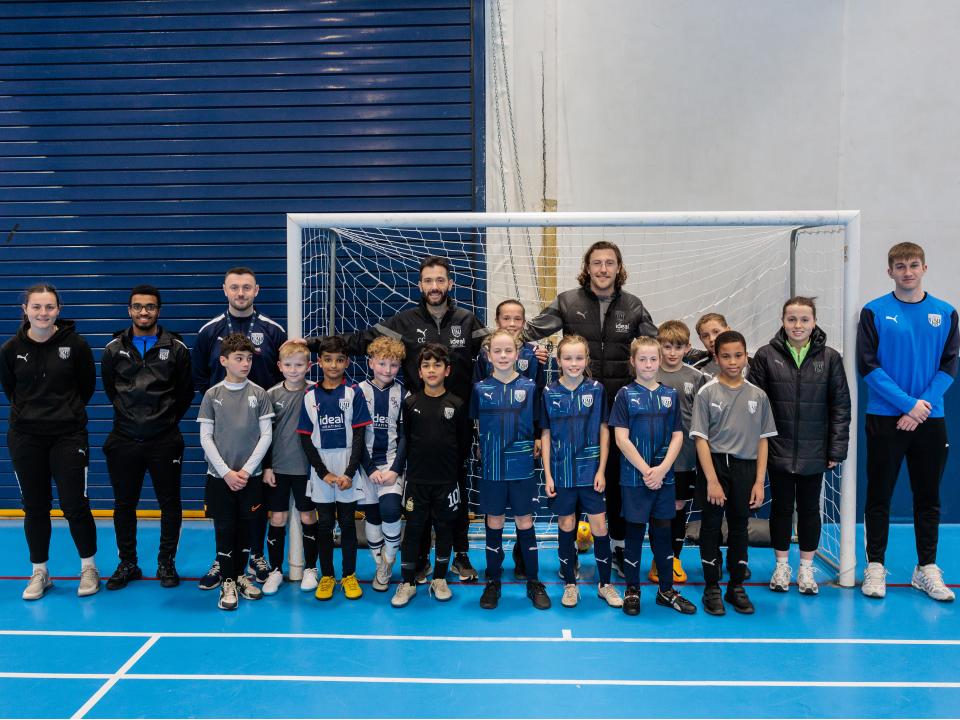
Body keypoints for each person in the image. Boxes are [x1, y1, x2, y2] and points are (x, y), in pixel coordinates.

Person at [325, 255, 488, 583]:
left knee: (456, 488)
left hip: (457, 422)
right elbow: (362, 339)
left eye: (440, 280)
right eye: (428, 281)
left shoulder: (468, 320)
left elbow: (497, 349)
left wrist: (530, 352)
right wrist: (312, 344)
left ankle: (461, 555)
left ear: (450, 283)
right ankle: (423, 558)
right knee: (421, 490)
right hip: (418, 421)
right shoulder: (405, 321)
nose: (434, 286)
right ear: (420, 285)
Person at [525, 241, 657, 575]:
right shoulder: (568, 301)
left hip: (621, 410)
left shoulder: (633, 305)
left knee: (616, 481)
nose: (603, 269)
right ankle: (568, 555)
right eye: (596, 263)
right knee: (574, 480)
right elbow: (529, 330)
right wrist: (495, 341)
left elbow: (656, 345)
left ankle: (617, 548)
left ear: (619, 267)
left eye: (609, 263)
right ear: (587, 267)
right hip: (576, 413)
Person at [857, 242, 958, 602]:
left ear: (924, 268)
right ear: (890, 272)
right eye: (900, 266)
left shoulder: (945, 313)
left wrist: (921, 407)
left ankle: (926, 568)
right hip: (885, 418)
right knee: (879, 495)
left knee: (928, 497)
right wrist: (908, 405)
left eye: (914, 265)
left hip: (930, 419)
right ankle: (875, 566)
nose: (907, 272)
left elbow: (949, 365)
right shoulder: (874, 311)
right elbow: (868, 365)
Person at [1, 284, 100, 600]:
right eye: (36, 307)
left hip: (68, 436)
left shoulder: (76, 345)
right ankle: (40, 572)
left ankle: (88, 568)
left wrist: (64, 412)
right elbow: (11, 390)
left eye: (49, 307)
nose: (43, 313)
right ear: (25, 310)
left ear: (58, 310)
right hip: (25, 437)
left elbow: (86, 387)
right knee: (34, 506)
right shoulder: (10, 349)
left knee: (75, 504)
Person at [749, 297, 850, 596]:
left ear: (814, 322)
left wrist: (836, 449)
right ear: (782, 321)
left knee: (809, 509)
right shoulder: (766, 355)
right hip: (777, 449)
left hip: (814, 449)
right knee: (780, 508)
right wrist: (758, 447)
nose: (798, 325)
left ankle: (806, 568)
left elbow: (840, 406)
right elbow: (754, 404)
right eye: (791, 319)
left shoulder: (830, 358)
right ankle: (782, 566)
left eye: (804, 319)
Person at [193, 267, 286, 587]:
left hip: (264, 430)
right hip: (224, 435)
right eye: (235, 287)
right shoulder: (209, 331)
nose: (241, 293)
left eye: (247, 287)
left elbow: (282, 377)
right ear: (225, 290)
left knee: (256, 501)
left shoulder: (273, 330)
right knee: (225, 505)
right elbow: (201, 379)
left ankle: (256, 555)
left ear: (257, 290)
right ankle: (223, 560)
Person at [100, 284, 194, 591]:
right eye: (138, 306)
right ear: (129, 310)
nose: (144, 312)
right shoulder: (113, 349)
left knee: (170, 503)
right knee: (124, 504)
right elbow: (111, 390)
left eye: (150, 307)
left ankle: (166, 562)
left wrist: (163, 420)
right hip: (124, 439)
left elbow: (184, 393)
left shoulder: (176, 348)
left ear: (158, 311)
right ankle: (128, 563)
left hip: (164, 440)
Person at [690, 330, 777, 616]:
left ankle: (736, 586)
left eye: (738, 355)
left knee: (740, 526)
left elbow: (763, 440)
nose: (732, 361)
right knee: (711, 525)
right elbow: (701, 439)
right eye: (726, 356)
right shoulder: (707, 392)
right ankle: (712, 587)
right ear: (716, 358)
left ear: (746, 356)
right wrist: (712, 481)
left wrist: (759, 481)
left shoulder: (758, 395)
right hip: (715, 466)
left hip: (745, 468)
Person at [609, 337, 696, 616]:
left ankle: (666, 591)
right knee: (634, 535)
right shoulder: (624, 395)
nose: (648, 364)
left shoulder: (670, 395)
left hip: (664, 479)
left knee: (662, 534)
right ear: (633, 361)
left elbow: (678, 436)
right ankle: (632, 589)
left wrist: (662, 469)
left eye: (653, 359)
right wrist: (647, 471)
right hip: (635, 479)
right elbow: (621, 439)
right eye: (642, 359)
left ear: (660, 361)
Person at [541, 335, 622, 609]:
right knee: (566, 524)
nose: (573, 363)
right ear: (558, 360)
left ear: (587, 360)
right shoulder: (549, 392)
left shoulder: (597, 390)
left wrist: (601, 470)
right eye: (567, 358)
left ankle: (605, 584)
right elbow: (546, 434)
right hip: (562, 472)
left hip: (590, 472)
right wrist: (548, 475)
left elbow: (604, 430)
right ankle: (570, 584)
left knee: (600, 526)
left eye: (579, 358)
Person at [471, 329, 550, 611]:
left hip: (521, 467)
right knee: (493, 522)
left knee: (524, 522)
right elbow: (476, 423)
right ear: (488, 355)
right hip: (492, 468)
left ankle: (534, 581)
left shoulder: (530, 387)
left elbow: (539, 424)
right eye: (497, 351)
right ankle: (493, 581)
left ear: (517, 354)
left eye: (508, 351)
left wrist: (537, 441)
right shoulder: (480, 388)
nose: (503, 356)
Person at [196, 333, 273, 610]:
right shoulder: (212, 395)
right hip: (221, 478)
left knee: (247, 528)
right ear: (223, 361)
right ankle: (227, 582)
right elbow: (206, 438)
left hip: (249, 478)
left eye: (249, 358)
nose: (245, 364)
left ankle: (240, 576)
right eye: (239, 358)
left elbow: (266, 436)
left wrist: (246, 471)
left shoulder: (259, 394)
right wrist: (227, 472)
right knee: (225, 527)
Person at [391, 344, 471, 607]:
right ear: (419, 372)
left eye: (437, 365)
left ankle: (439, 579)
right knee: (414, 530)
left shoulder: (457, 404)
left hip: (446, 482)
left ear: (447, 370)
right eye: (426, 365)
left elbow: (463, 444)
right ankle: (408, 582)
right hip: (417, 481)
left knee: (444, 528)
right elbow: (406, 439)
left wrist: (451, 472)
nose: (431, 370)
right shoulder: (410, 403)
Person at [297, 335, 372, 601]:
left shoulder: (354, 392)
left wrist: (350, 473)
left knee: (348, 523)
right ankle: (327, 575)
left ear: (347, 362)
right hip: (322, 467)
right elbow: (305, 438)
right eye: (328, 360)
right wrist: (323, 472)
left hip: (347, 465)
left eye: (339, 360)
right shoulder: (309, 395)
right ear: (319, 362)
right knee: (325, 524)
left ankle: (349, 575)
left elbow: (360, 436)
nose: (333, 365)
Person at [261, 340, 319, 595]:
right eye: (288, 365)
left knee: (308, 517)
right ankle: (275, 570)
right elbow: (264, 434)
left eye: (299, 365)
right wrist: (267, 466)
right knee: (278, 518)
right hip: (279, 468)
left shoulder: (316, 392)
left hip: (308, 469)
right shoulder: (271, 395)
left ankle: (311, 568)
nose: (293, 370)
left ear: (309, 366)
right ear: (279, 366)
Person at [652, 319, 707, 585]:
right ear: (658, 346)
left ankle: (673, 558)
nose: (672, 352)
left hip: (685, 457)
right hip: (653, 456)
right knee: (656, 508)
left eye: (678, 347)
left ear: (687, 348)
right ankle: (658, 558)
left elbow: (704, 418)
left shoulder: (696, 377)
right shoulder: (649, 372)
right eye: (667, 346)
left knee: (677, 507)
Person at [356, 337, 408, 592]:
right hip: (365, 465)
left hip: (391, 463)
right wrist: (370, 469)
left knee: (390, 510)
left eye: (394, 365)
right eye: (382, 363)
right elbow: (355, 438)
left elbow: (406, 437)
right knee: (373, 515)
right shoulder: (357, 392)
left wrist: (395, 469)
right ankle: (380, 565)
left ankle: (389, 559)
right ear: (370, 363)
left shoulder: (404, 394)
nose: (388, 370)